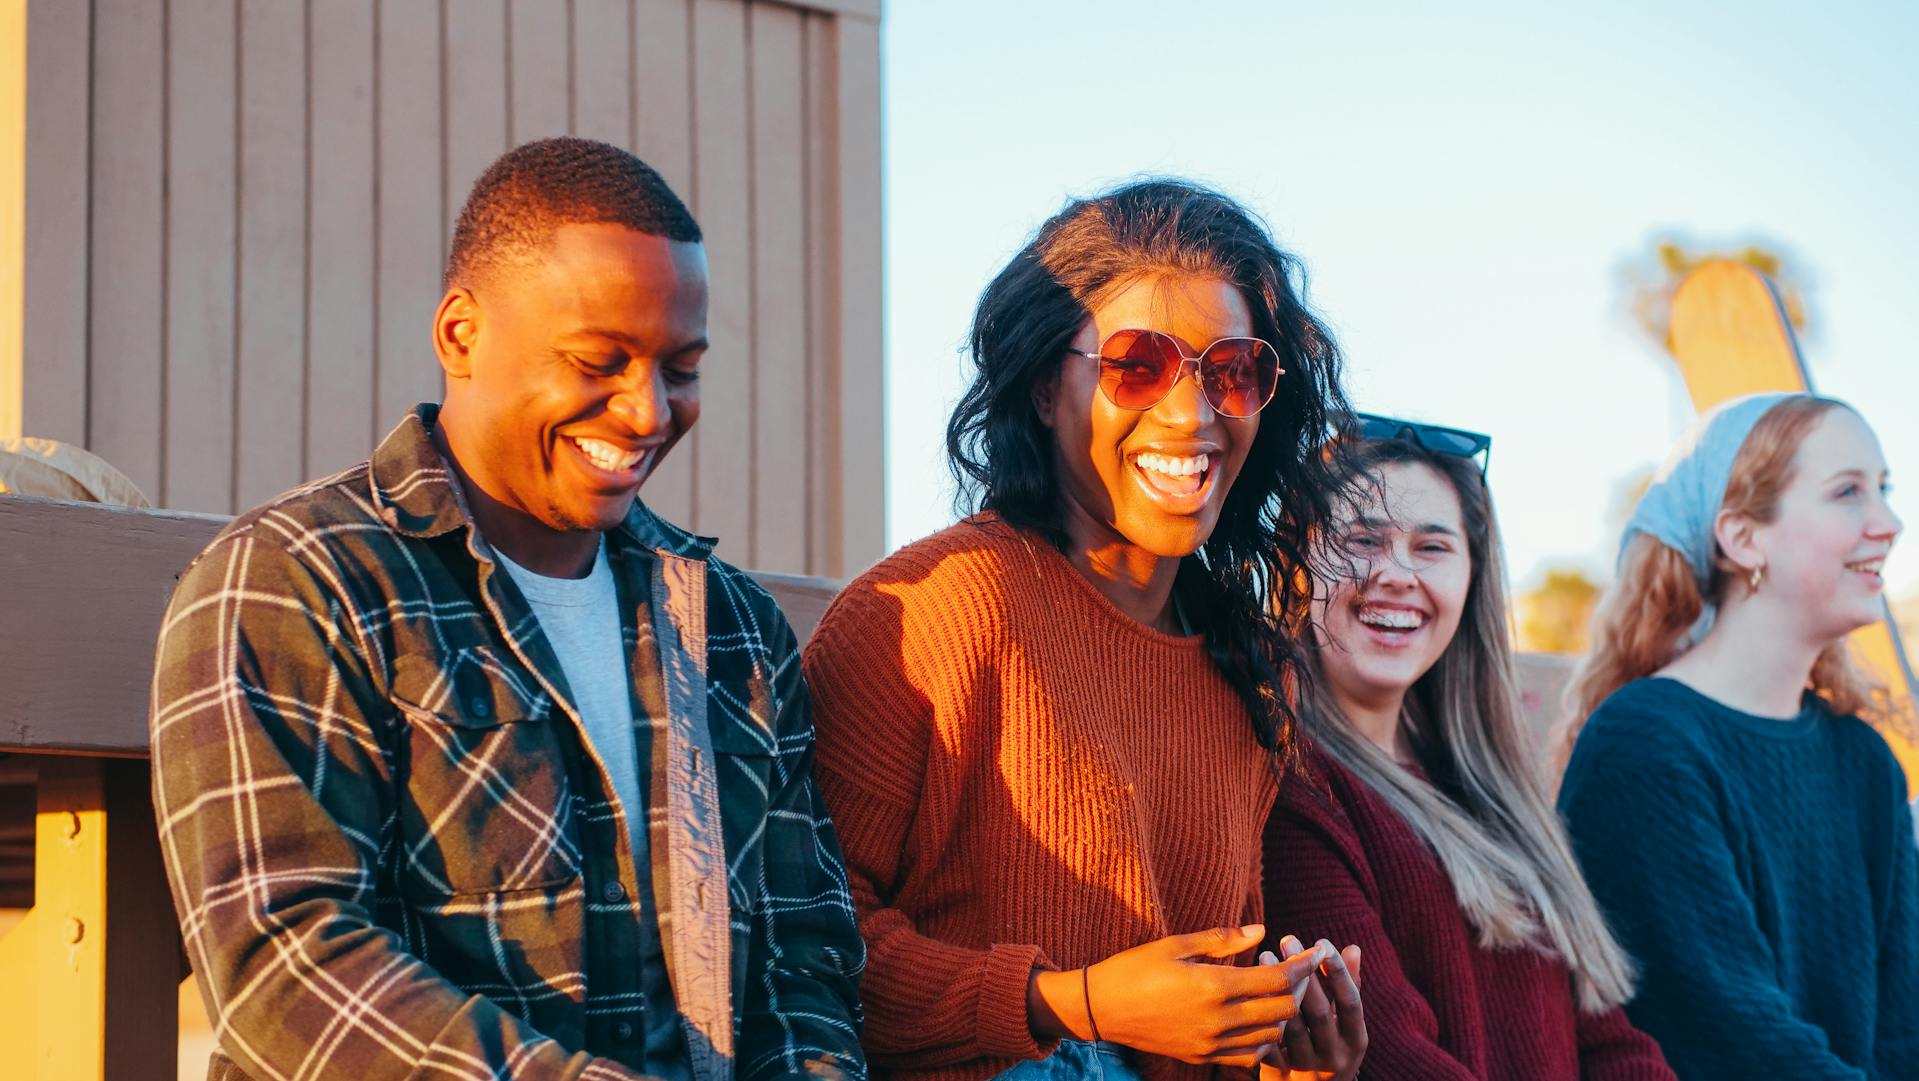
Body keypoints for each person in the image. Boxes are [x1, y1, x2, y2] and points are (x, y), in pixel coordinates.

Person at [150, 137, 866, 1081]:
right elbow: (287, 963)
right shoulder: (296, 582)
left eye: (680, 368)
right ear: (459, 334)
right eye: (598, 360)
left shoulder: (729, 627)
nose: (648, 411)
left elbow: (801, 962)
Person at [801, 180, 1366, 1081]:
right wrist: (1075, 1002)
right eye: (1137, 364)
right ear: (1040, 387)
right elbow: (801, 952)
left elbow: (1195, 1030)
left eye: (1231, 371)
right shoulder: (927, 609)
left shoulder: (1253, 670)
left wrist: (1290, 1063)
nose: (1192, 413)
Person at [1261, 418, 1675, 1080]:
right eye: (1361, 538)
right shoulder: (1288, 792)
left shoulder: (1492, 793)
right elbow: (1392, 1058)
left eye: (1431, 546)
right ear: (1297, 561)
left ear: (1471, 577)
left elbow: (1607, 1041)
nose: (1395, 573)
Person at [1558, 393, 1918, 1080]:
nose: (1889, 522)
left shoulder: (1864, 761)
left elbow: (1902, 1030)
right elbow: (1733, 1042)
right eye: (1847, 492)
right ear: (1742, 536)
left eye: (1884, 490)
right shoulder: (1643, 749)